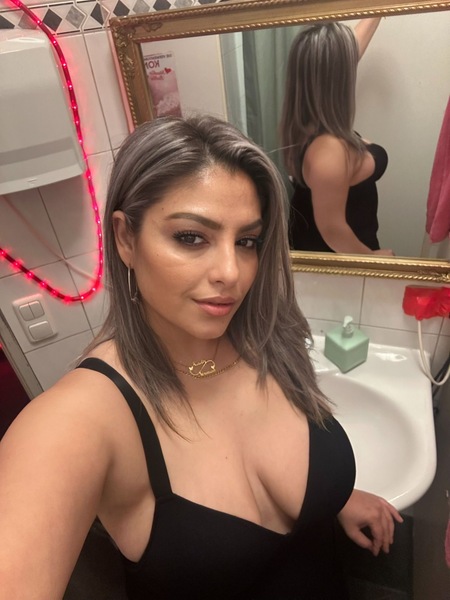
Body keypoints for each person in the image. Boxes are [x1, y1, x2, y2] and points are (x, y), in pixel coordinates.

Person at [0, 115, 402, 599]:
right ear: (126, 239)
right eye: (191, 237)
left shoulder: (266, 338)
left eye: (247, 241)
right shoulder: (80, 420)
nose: (232, 272)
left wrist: (334, 498)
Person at [280, 19, 395, 255]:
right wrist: (375, 260)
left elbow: (349, 52)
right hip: (341, 252)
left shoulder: (305, 118)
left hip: (327, 241)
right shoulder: (328, 150)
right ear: (339, 76)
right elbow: (333, 230)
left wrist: (377, 11)